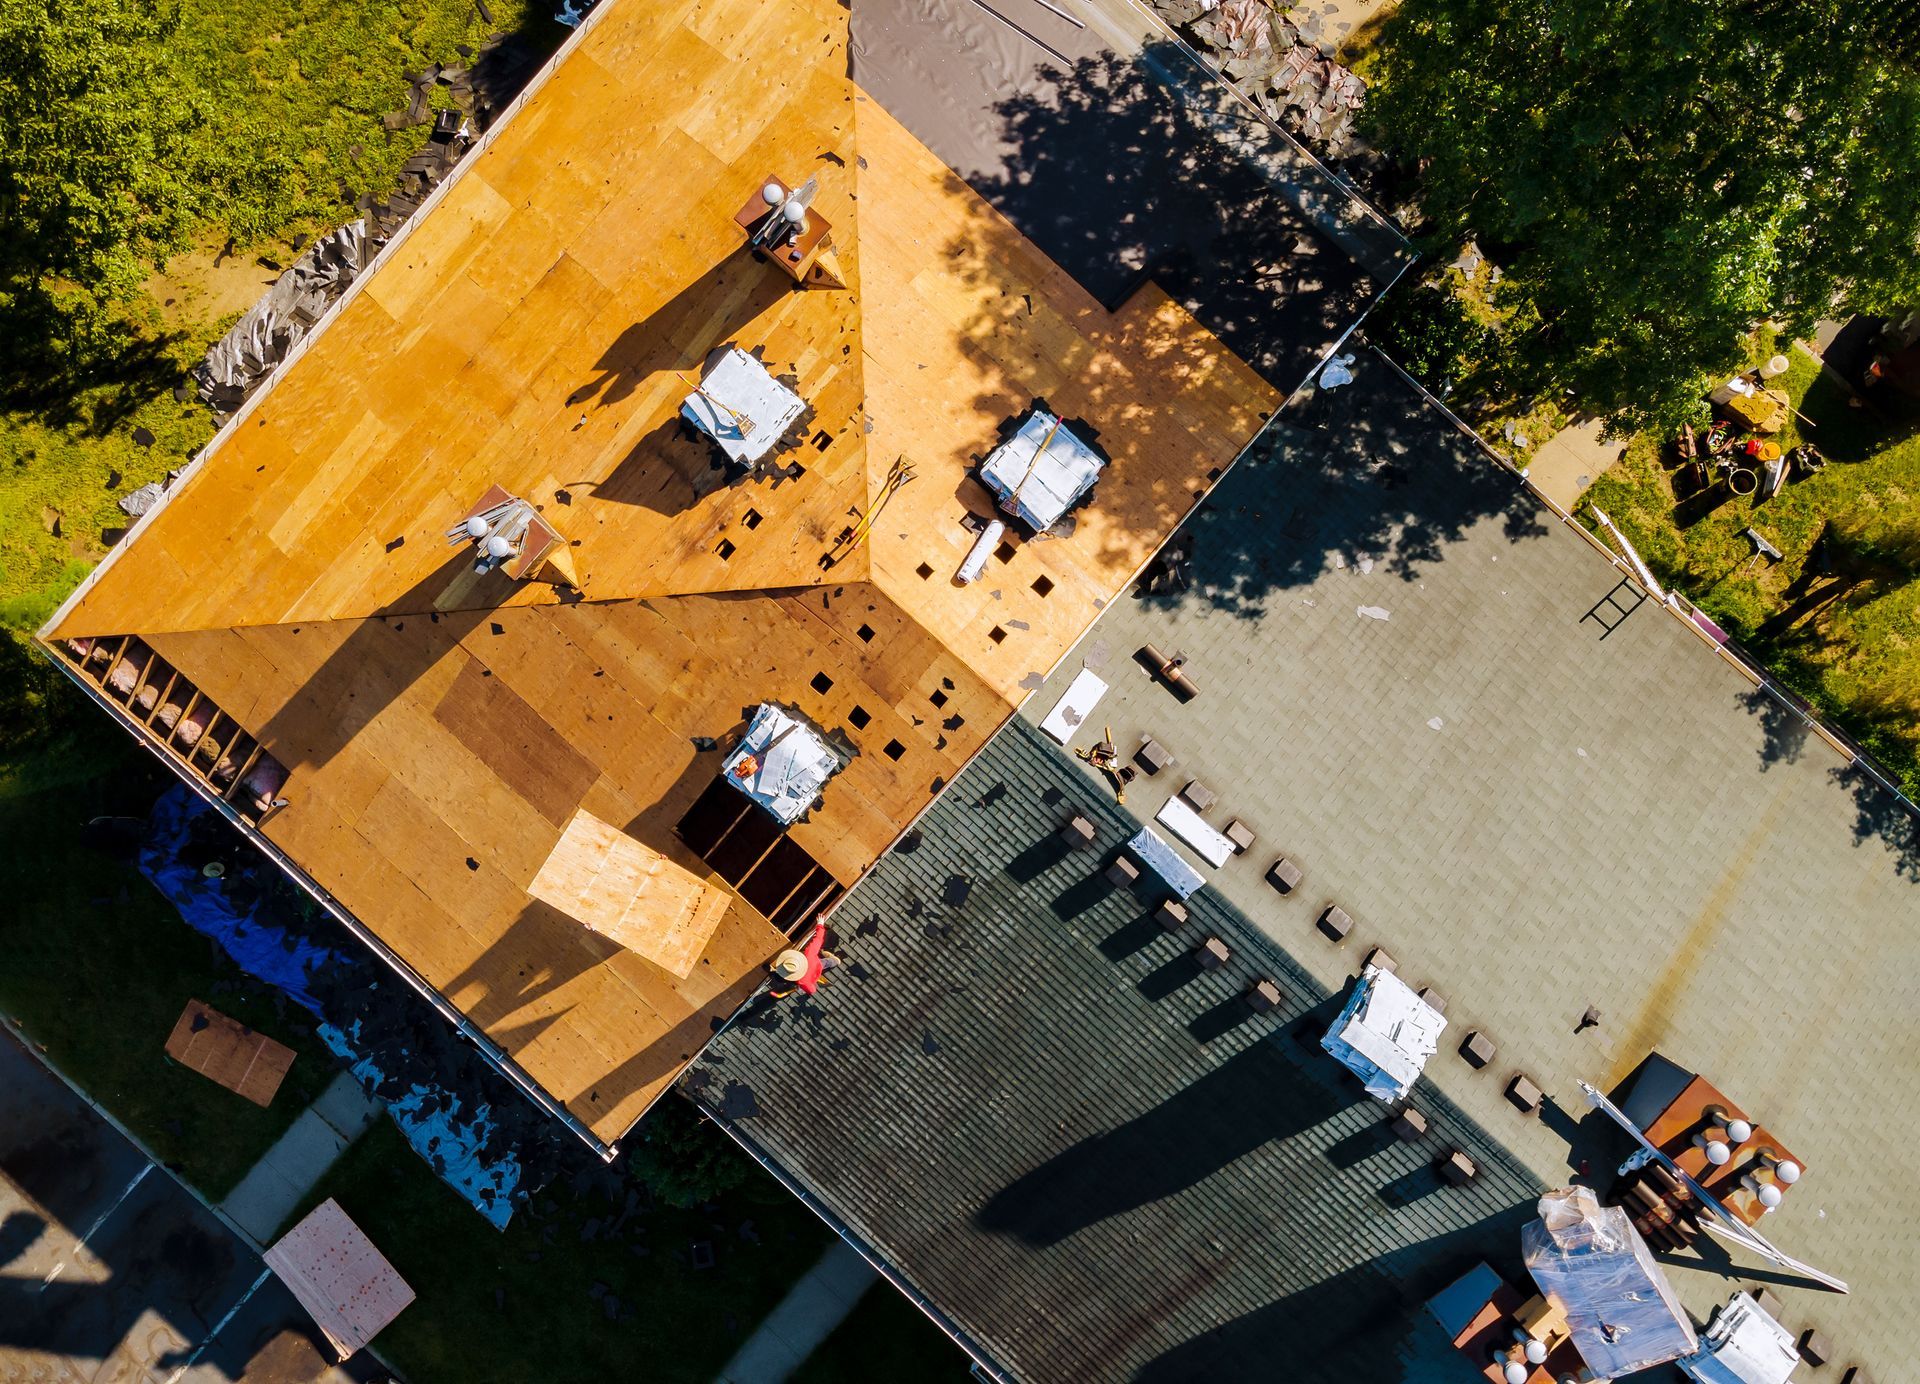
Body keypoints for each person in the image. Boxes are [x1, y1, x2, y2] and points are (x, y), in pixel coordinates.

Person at [767, 922, 839, 999]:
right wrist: (820, 925)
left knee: (827, 962)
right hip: (818, 965)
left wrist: (802, 986)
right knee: (831, 962)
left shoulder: (802, 981)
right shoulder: (809, 954)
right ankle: (836, 961)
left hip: (815, 968)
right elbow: (818, 940)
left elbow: (812, 990)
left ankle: (834, 960)